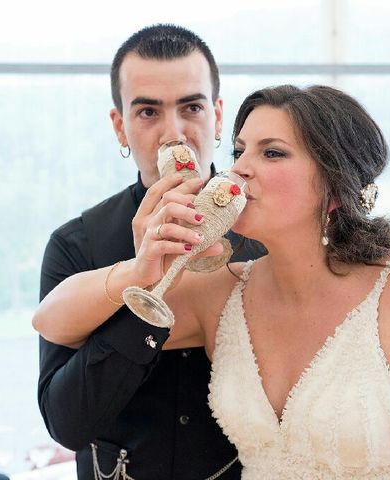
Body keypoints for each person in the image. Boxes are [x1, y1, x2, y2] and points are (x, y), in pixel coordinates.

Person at [34, 85, 390, 479]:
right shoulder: (223, 291)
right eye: (239, 151)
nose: (238, 170)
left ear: (336, 186)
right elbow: (51, 322)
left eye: (271, 152)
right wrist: (140, 270)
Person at [37, 24, 262, 480]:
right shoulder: (75, 244)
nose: (173, 134)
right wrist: (143, 277)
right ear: (120, 127)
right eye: (147, 113)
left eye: (192, 107)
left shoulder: (265, 233)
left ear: (217, 117)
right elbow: (67, 423)